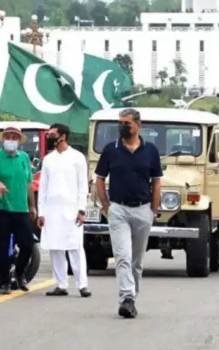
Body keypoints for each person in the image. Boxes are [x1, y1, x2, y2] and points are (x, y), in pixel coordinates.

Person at [94, 108, 162, 319]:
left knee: (136, 261)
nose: (123, 126)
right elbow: (99, 179)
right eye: (120, 123)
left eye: (127, 123)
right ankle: (127, 298)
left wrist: (153, 209)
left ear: (137, 125)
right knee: (122, 256)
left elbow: (157, 181)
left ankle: (132, 298)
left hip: (143, 209)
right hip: (119, 209)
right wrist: (106, 206)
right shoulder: (110, 149)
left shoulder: (150, 150)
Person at [0, 126, 37, 295]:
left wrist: (32, 206)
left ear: (19, 140)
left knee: (27, 244)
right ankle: (4, 282)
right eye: (8, 136)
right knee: (2, 247)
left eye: (15, 137)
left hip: (21, 209)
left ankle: (19, 273)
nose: (11, 139)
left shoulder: (24, 158)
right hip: (1, 209)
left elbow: (28, 184)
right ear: (3, 139)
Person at [37, 123, 91, 298]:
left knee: (75, 247)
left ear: (63, 136)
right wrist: (41, 212)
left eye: (53, 134)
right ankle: (61, 284)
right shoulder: (48, 159)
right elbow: (43, 187)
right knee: (55, 247)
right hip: (52, 210)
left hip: (72, 209)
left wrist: (82, 209)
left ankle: (82, 285)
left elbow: (83, 187)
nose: (50, 137)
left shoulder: (77, 158)